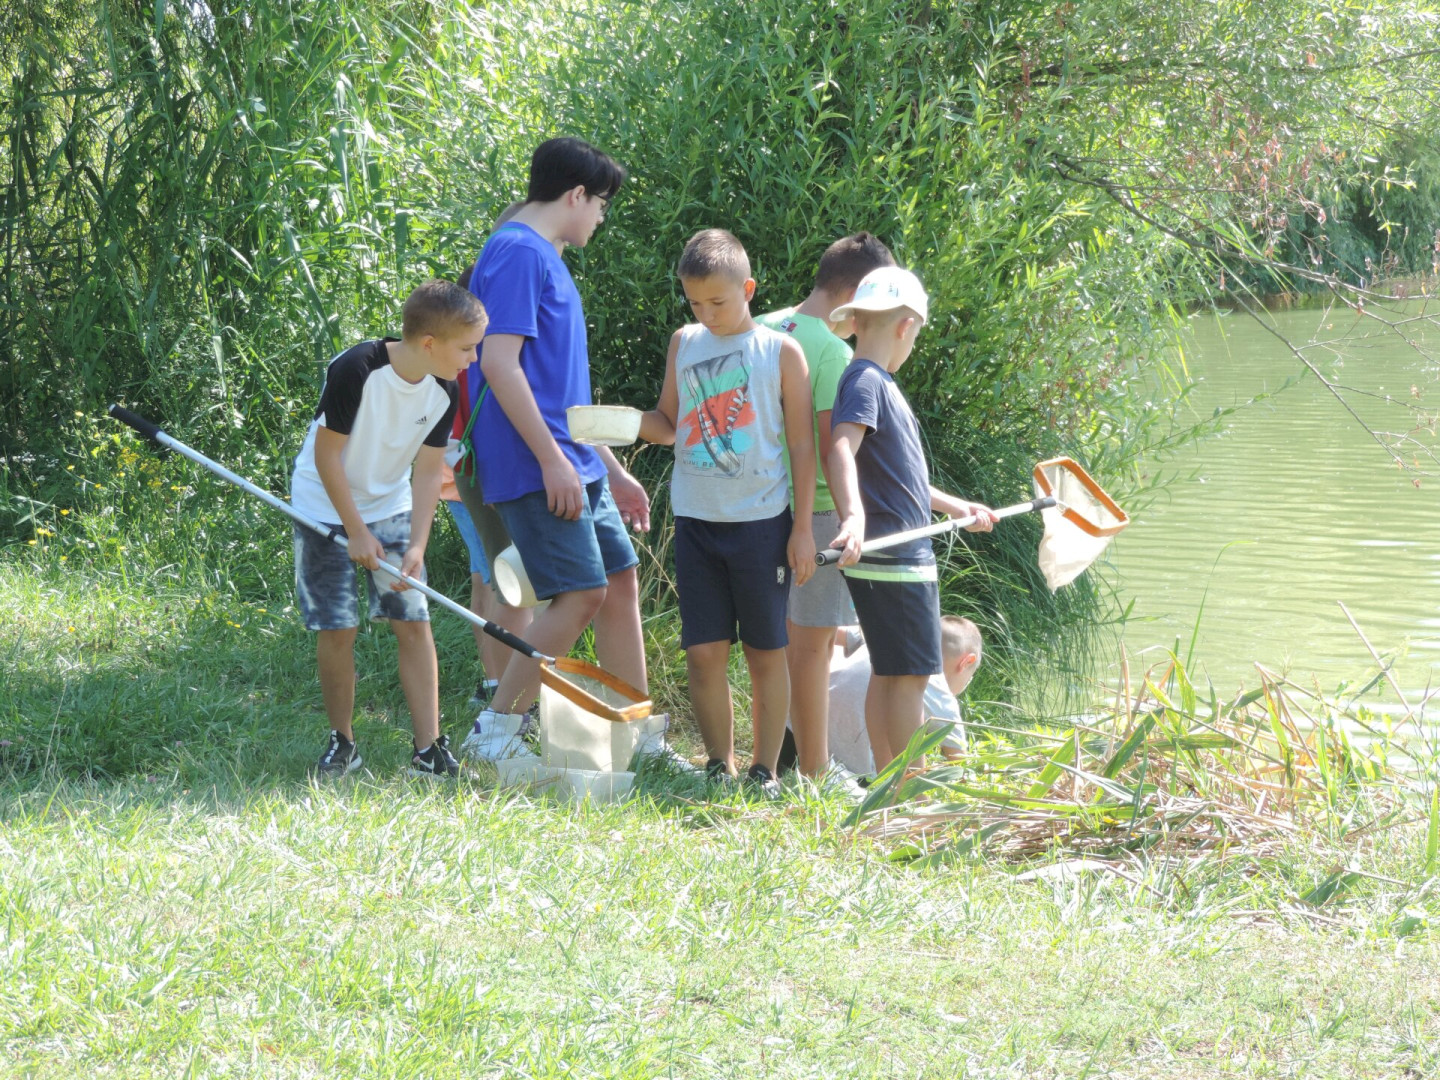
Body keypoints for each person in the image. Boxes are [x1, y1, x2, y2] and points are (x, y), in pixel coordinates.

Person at [457, 138, 652, 761]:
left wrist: (609, 467)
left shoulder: (545, 254)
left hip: (575, 461)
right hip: (535, 463)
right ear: (576, 194)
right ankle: (495, 733)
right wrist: (550, 460)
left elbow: (561, 390)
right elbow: (499, 364)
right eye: (601, 204)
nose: (600, 217)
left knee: (617, 580)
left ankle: (636, 733)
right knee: (580, 594)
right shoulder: (517, 252)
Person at [639, 228, 817, 796]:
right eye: (694, 302)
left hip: (763, 525)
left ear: (749, 289)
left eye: (717, 301)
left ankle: (764, 769)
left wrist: (803, 529)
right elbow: (666, 425)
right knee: (703, 651)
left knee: (766, 651)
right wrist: (617, 423)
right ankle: (720, 764)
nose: (706, 314)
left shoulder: (780, 352)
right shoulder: (684, 343)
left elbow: (802, 446)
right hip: (696, 521)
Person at [289, 278, 484, 778]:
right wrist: (356, 531)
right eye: (466, 348)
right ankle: (343, 742)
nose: (473, 359)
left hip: (390, 504)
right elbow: (327, 456)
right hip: (322, 505)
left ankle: (429, 749)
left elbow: (428, 471)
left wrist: (417, 543)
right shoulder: (358, 368)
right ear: (429, 343)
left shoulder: (444, 388)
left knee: (413, 621)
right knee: (339, 627)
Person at [827, 266, 996, 773]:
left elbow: (899, 477)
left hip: (887, 550)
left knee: (889, 672)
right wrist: (852, 517)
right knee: (912, 679)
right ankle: (910, 787)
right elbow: (840, 448)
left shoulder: (873, 381)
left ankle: (888, 786)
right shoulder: (866, 380)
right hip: (896, 554)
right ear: (906, 326)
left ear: (856, 320)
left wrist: (954, 506)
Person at [756, 232, 896, 779]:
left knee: (774, 645)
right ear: (858, 297)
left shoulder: (760, 325)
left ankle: (773, 759)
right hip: (813, 513)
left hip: (756, 508)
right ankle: (814, 774)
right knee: (812, 649)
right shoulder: (835, 353)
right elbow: (829, 446)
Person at [822, 616, 983, 775]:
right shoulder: (939, 691)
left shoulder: (885, 640)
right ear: (966, 662)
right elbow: (960, 767)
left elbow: (838, 633)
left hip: (813, 737)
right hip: (848, 769)